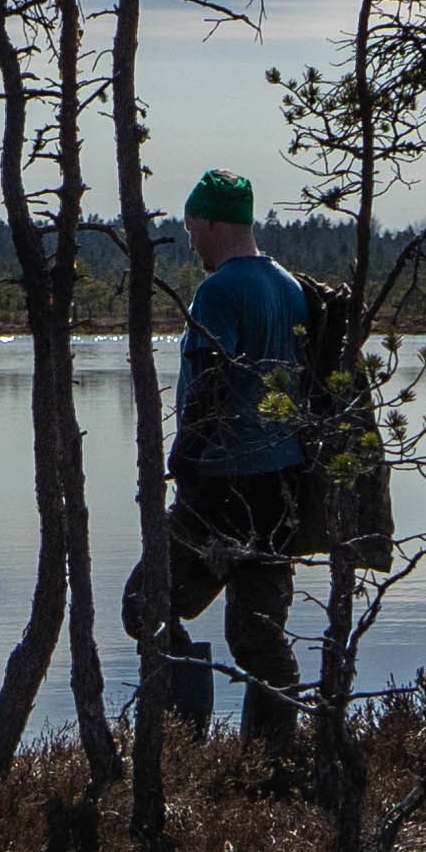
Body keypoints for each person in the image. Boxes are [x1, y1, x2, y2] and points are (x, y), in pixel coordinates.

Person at [141, 168, 312, 746]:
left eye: (192, 229)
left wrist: (182, 461)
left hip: (220, 490)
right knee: (260, 635)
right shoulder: (289, 286)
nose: (190, 241)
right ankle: (271, 760)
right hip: (279, 492)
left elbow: (211, 383)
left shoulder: (218, 291)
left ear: (213, 222)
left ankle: (180, 742)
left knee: (145, 605)